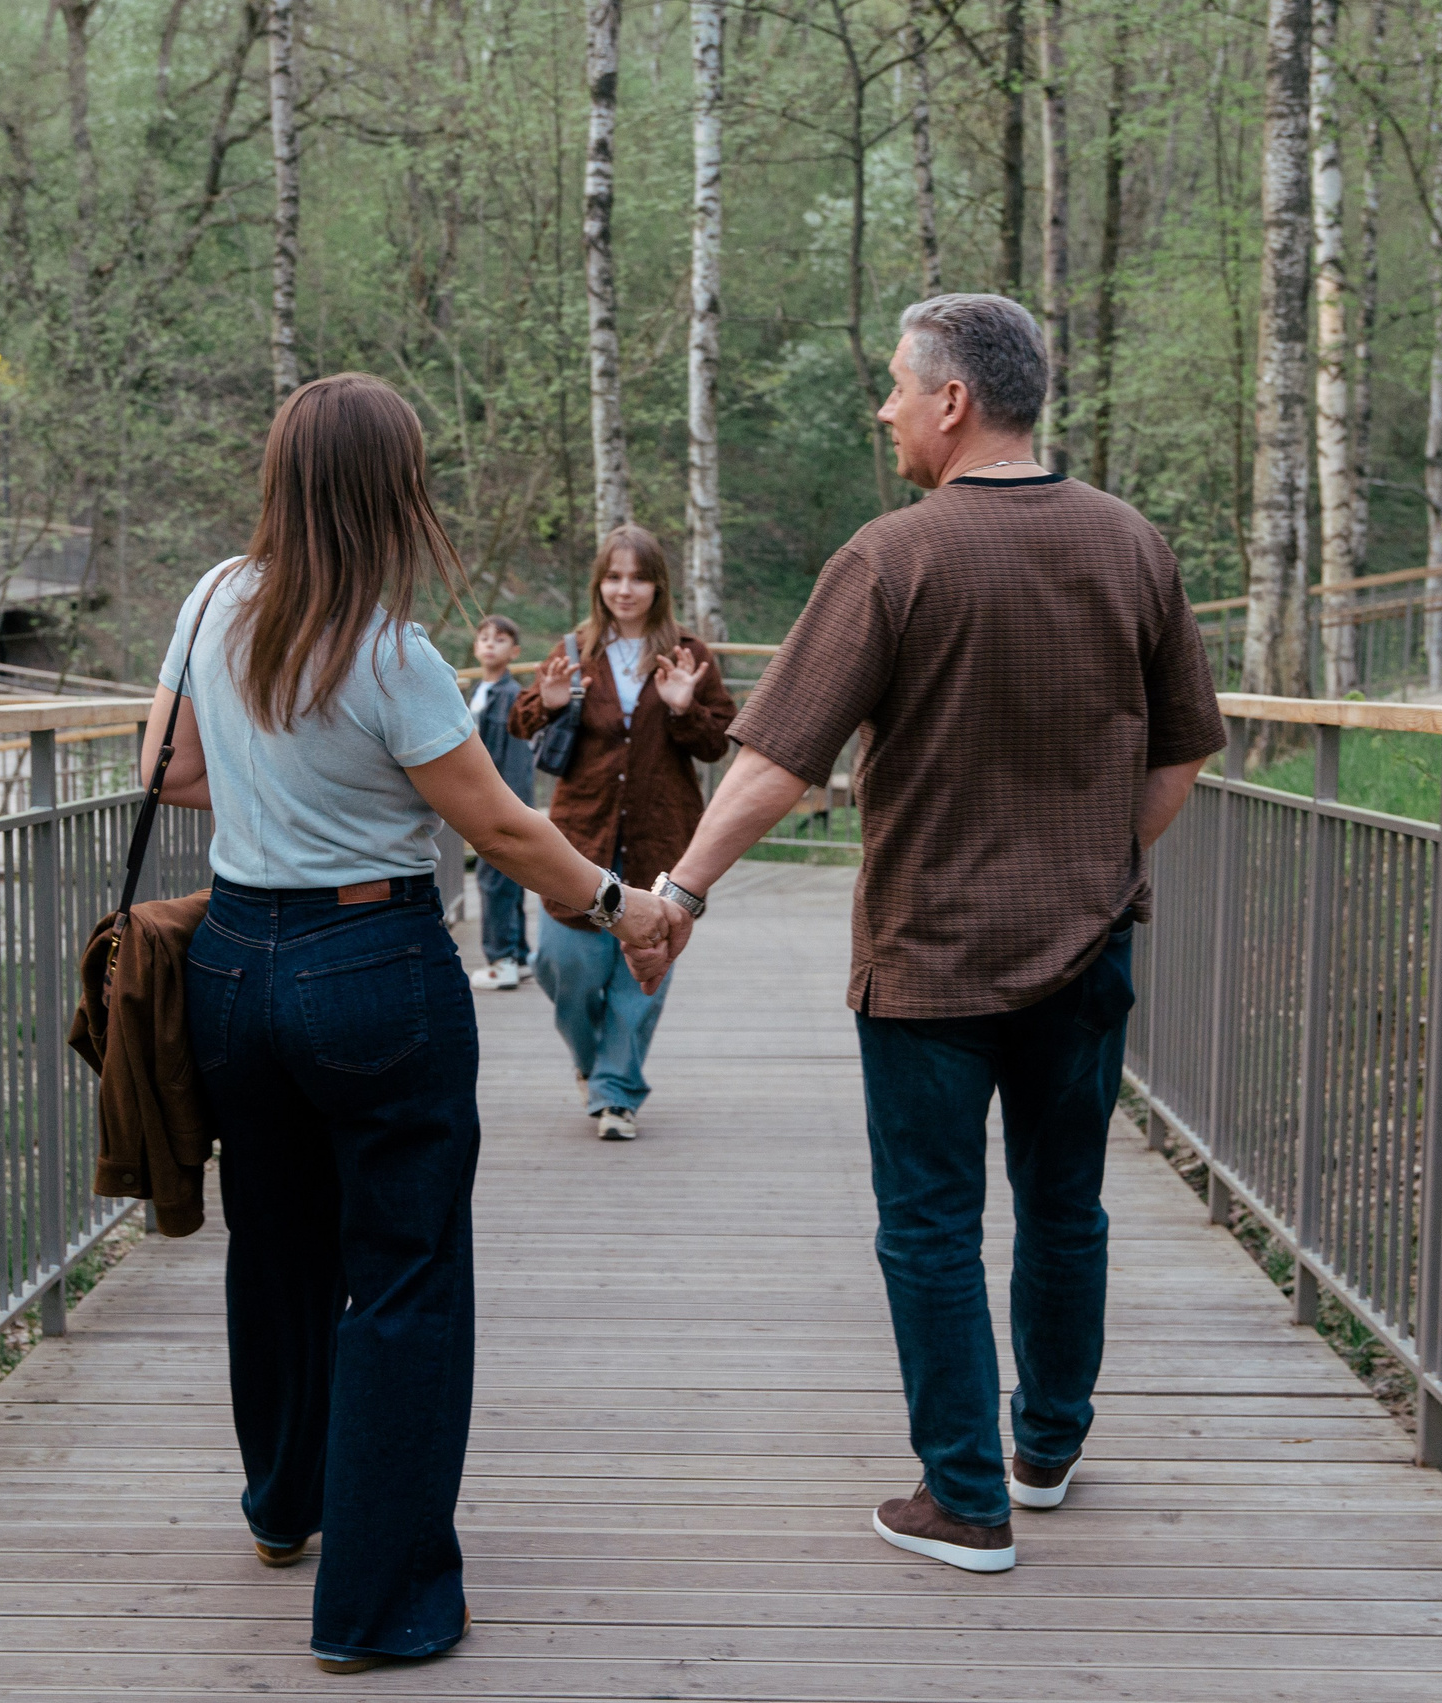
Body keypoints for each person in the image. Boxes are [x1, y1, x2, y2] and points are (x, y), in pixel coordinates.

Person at [628, 294, 1225, 1572]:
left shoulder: (892, 557)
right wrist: (1100, 867)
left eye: (898, 385)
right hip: (1086, 950)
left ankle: (966, 1497)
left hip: (929, 962)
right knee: (1066, 1208)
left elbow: (774, 761)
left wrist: (678, 893)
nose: (885, 407)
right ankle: (1045, 1449)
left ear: (954, 402)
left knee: (931, 1227)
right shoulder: (1130, 542)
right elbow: (1183, 747)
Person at [142, 373, 674, 1672]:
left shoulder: (213, 597)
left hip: (234, 963)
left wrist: (278, 809)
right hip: (372, 963)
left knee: (271, 1242)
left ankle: (284, 1508)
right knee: (403, 1271)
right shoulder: (391, 651)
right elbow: (494, 822)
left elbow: (170, 768)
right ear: (393, 490)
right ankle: (382, 1605)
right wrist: (625, 907)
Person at [508, 524, 735, 1142]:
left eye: (638, 577)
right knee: (562, 966)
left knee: (641, 978)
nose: (625, 589)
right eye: (614, 577)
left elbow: (720, 742)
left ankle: (616, 1094)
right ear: (598, 583)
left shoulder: (688, 653)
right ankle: (594, 1065)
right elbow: (520, 718)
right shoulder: (574, 648)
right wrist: (550, 703)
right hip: (581, 838)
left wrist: (685, 707)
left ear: (658, 584)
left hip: (662, 839)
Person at [465, 614, 538, 990]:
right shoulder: (479, 691)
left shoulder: (512, 697)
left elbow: (515, 764)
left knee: (494, 880)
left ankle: (501, 961)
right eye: (484, 638)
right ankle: (520, 955)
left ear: (515, 652)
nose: (490, 644)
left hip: (496, 807)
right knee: (506, 880)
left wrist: (503, 814)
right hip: (485, 802)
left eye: (500, 639)